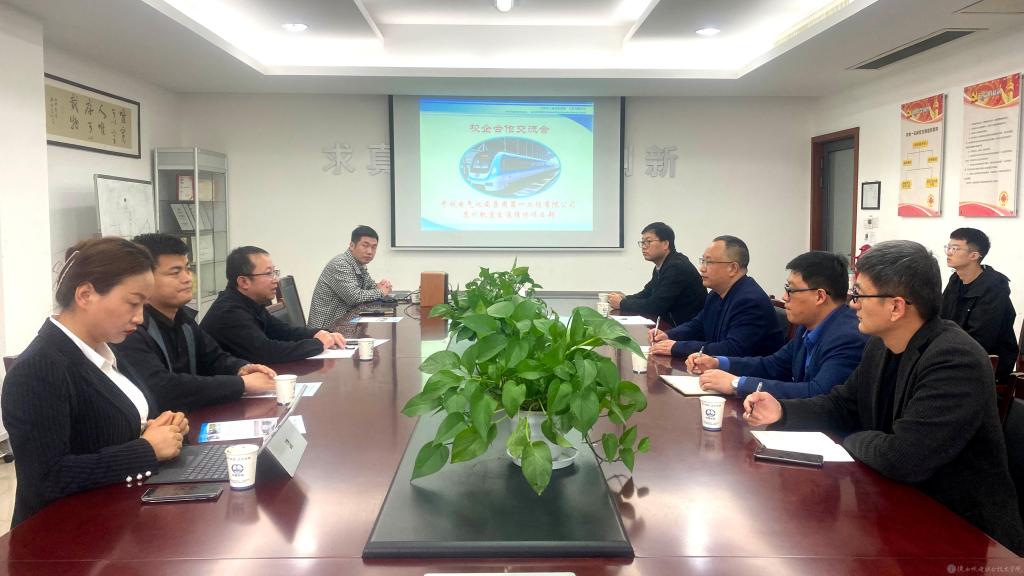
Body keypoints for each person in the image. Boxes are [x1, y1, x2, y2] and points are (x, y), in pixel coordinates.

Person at [744, 240, 1024, 554]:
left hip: (963, 534)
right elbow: (843, 403)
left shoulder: (955, 359)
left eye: (859, 295)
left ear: (896, 307)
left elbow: (903, 458)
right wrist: (782, 411)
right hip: (899, 507)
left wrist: (850, 438)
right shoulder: (881, 344)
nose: (852, 305)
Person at [1, 237, 187, 528]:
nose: (140, 318)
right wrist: (147, 449)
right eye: (133, 303)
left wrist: (158, 428)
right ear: (86, 295)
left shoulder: (104, 349)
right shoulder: (39, 369)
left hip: (114, 515)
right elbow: (47, 478)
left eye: (143, 305)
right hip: (61, 535)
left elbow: (98, 429)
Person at [114, 235, 277, 412]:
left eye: (188, 269)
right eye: (175, 272)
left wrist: (241, 368)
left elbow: (215, 358)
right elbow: (162, 388)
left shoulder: (183, 319)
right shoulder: (131, 329)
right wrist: (241, 384)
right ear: (144, 278)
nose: (187, 278)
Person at [691, 251, 868, 398]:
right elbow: (772, 365)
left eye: (791, 290)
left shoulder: (847, 337)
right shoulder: (807, 327)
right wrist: (717, 363)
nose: (784, 297)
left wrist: (737, 384)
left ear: (820, 296)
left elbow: (818, 393)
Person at [200, 245, 346, 364]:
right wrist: (317, 344)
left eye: (275, 272)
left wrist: (321, 333)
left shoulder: (250, 302)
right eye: (268, 273)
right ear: (244, 282)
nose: (275, 279)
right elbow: (266, 352)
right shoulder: (229, 312)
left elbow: (284, 332)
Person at [649, 235, 784, 358]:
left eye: (709, 262)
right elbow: (698, 325)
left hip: (746, 375)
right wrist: (668, 335)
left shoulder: (750, 301)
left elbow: (731, 349)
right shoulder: (715, 294)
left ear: (733, 268)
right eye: (702, 261)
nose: (702, 268)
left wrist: (677, 347)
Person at [940, 228, 1017, 381]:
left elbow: (981, 337)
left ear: (974, 256)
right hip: (955, 353)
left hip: (987, 361)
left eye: (955, 248)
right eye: (948, 247)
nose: (948, 253)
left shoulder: (994, 287)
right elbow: (941, 319)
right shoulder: (955, 280)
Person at [607, 221, 705, 326]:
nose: (644, 246)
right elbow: (647, 293)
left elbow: (656, 306)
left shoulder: (676, 267)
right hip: (674, 324)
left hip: (688, 328)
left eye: (648, 241)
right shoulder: (663, 264)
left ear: (665, 244)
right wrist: (625, 298)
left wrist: (622, 304)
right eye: (642, 242)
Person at [307, 225, 393, 330]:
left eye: (373, 247)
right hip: (325, 329)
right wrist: (381, 292)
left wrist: (381, 286)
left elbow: (369, 287)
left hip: (344, 325)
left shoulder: (358, 264)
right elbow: (354, 297)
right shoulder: (341, 264)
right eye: (365, 246)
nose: (370, 251)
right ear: (352, 246)